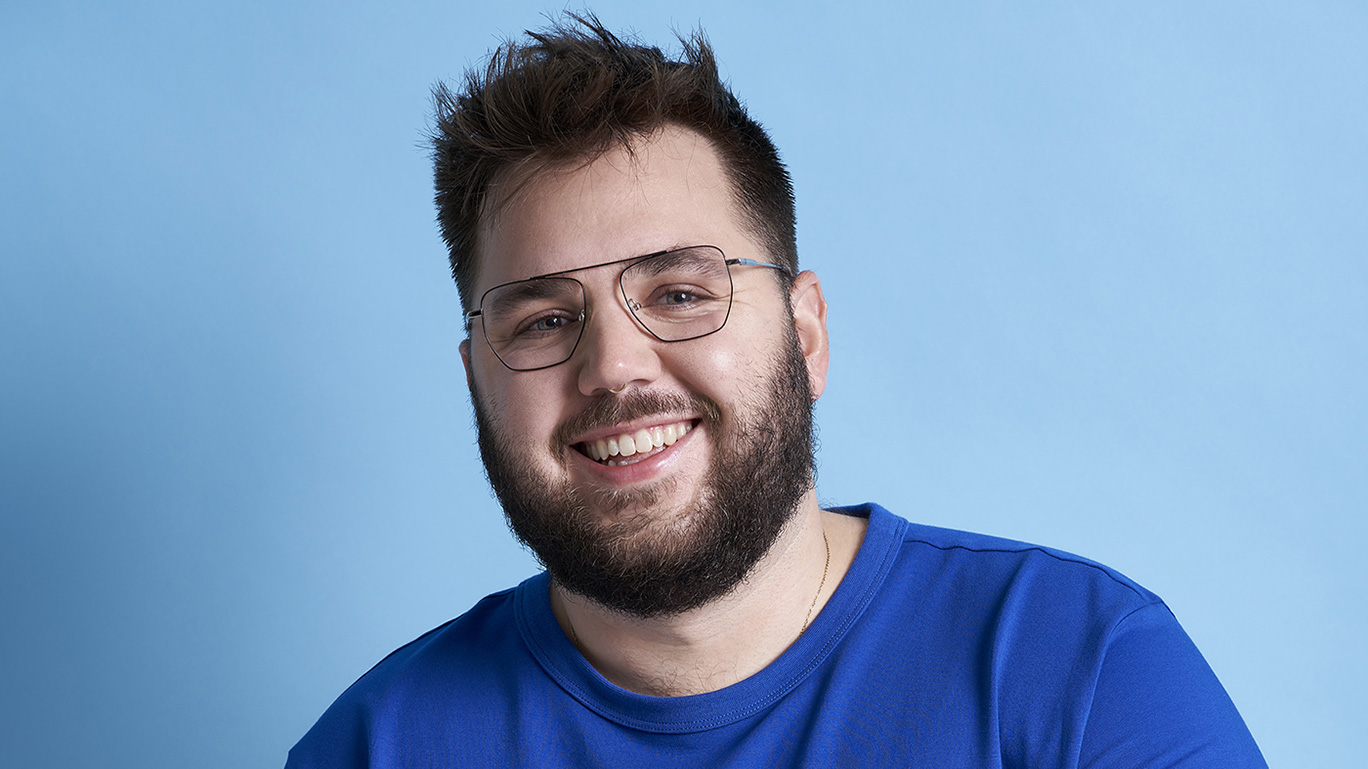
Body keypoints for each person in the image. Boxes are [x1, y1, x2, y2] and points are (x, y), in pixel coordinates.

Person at [287, 15, 1266, 767]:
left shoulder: (1083, 674)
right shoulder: (375, 746)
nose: (616, 369)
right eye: (543, 319)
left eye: (679, 293)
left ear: (805, 336)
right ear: (478, 380)